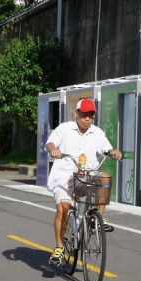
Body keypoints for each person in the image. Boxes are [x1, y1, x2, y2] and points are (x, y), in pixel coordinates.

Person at [45, 98, 122, 266]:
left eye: (91, 115)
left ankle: (97, 220)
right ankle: (59, 247)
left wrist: (113, 152)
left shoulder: (97, 132)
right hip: (65, 176)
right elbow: (50, 143)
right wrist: (53, 150)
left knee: (104, 177)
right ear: (76, 114)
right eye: (84, 114)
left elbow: (106, 149)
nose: (87, 118)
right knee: (63, 209)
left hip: (88, 176)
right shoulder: (64, 129)